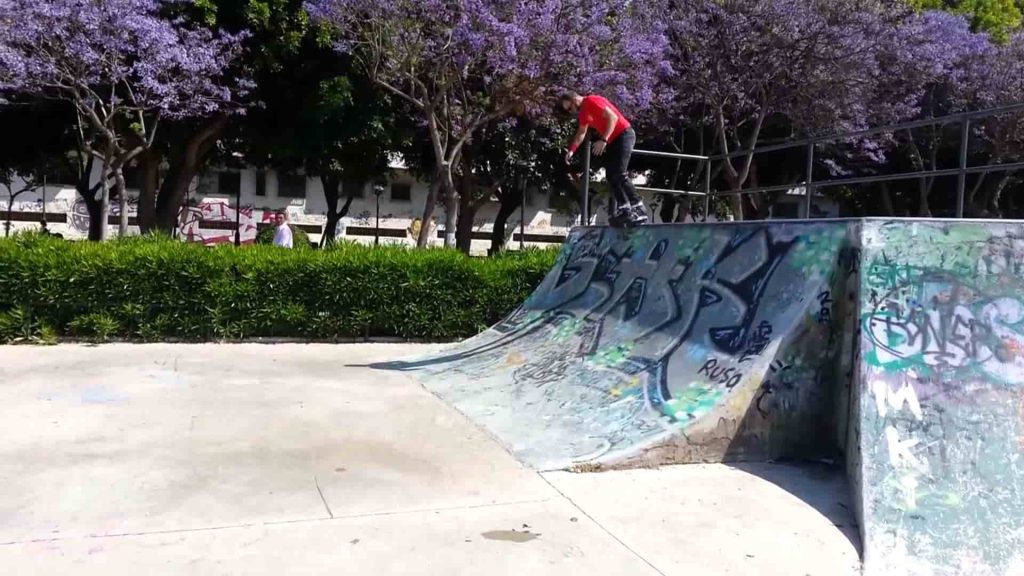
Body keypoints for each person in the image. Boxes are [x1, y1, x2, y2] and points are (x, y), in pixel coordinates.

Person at [560, 91, 647, 226]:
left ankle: (638, 207)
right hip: (614, 139)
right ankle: (625, 208)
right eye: (568, 111)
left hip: (624, 134)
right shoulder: (583, 113)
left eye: (570, 107)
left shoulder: (591, 101)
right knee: (611, 175)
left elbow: (612, 117)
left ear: (574, 99)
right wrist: (572, 150)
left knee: (619, 172)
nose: (572, 111)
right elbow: (581, 132)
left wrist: (604, 140)